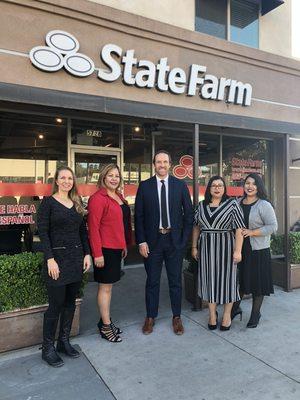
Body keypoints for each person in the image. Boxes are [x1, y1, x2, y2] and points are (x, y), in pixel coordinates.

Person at [135, 150, 193, 335]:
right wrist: (141, 241)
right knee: (152, 281)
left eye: (165, 162)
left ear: (170, 164)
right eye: (158, 162)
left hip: (174, 241)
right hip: (152, 242)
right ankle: (150, 317)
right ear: (154, 164)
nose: (161, 165)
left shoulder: (180, 185)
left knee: (175, 281)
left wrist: (184, 240)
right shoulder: (144, 186)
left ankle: (177, 317)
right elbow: (139, 216)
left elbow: (189, 215)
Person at [37, 166, 91, 367]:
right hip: (57, 262)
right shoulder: (48, 203)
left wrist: (86, 254)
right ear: (57, 181)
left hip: (75, 260)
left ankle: (64, 342)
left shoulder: (76, 203)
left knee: (70, 303)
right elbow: (42, 232)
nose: (67, 181)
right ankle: (48, 347)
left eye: (70, 178)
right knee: (55, 305)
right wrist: (50, 259)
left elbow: (83, 232)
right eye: (63, 178)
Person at [192, 176, 244, 331]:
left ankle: (227, 315)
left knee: (227, 281)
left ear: (224, 188)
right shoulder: (201, 206)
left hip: (226, 247)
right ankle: (212, 315)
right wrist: (194, 247)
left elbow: (239, 229)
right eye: (214, 185)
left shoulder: (232, 204)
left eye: (220, 185)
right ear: (209, 188)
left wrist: (238, 251)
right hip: (207, 249)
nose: (217, 188)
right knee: (209, 281)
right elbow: (196, 227)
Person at [88, 164, 132, 343]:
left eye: (117, 176)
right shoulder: (97, 198)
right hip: (104, 250)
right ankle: (106, 326)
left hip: (116, 248)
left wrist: (124, 245)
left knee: (109, 287)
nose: (114, 178)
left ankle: (105, 321)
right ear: (103, 177)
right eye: (110, 175)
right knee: (105, 287)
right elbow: (93, 228)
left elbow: (120, 225)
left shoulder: (119, 196)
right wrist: (97, 253)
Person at [232, 173, 278, 328]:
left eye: (254, 183)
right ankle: (235, 308)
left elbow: (273, 226)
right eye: (247, 183)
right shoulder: (238, 202)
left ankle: (255, 313)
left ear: (259, 186)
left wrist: (252, 232)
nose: (250, 186)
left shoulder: (263, 205)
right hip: (240, 249)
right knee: (242, 282)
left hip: (258, 250)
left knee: (258, 284)